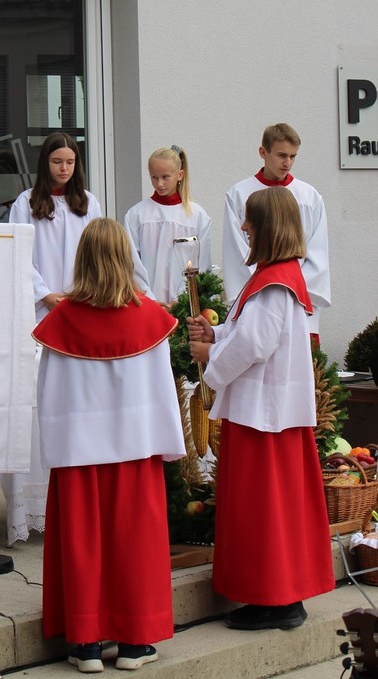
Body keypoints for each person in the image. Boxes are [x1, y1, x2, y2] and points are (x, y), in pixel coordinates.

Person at [35, 218, 185, 672]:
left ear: (82, 259)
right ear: (126, 259)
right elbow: (162, 390)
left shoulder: (62, 321)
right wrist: (166, 444)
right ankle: (135, 644)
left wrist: (57, 447)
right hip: (135, 450)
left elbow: (49, 393)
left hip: (79, 454)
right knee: (135, 543)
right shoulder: (150, 318)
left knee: (82, 543)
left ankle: (86, 645)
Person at [188, 187, 335, 630]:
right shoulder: (277, 276)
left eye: (250, 220)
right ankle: (280, 596)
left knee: (264, 511)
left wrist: (211, 358)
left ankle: (276, 600)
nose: (243, 227)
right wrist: (216, 335)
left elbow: (255, 343)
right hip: (270, 413)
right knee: (277, 510)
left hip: (263, 416)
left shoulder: (273, 283)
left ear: (266, 227)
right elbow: (249, 331)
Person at [0, 132, 102, 545]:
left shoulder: (88, 203)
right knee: (36, 405)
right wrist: (44, 294)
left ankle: (73, 502)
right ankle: (32, 503)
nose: (64, 169)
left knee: (77, 404)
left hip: (79, 310)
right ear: (45, 163)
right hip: (39, 312)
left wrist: (83, 294)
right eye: (57, 162)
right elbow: (16, 255)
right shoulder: (25, 204)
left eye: (70, 162)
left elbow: (97, 253)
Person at [222, 123, 330, 336]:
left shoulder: (309, 197)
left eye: (293, 156)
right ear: (263, 152)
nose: (288, 163)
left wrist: (288, 291)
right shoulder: (239, 195)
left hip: (299, 302)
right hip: (255, 304)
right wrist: (264, 292)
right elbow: (237, 254)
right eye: (282, 155)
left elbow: (317, 255)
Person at [124, 144, 212, 308]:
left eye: (165, 177)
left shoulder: (197, 216)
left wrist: (182, 300)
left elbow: (202, 263)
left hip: (185, 306)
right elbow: (132, 262)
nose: (159, 184)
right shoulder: (136, 215)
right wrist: (150, 299)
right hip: (148, 305)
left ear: (180, 175)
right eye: (154, 177)